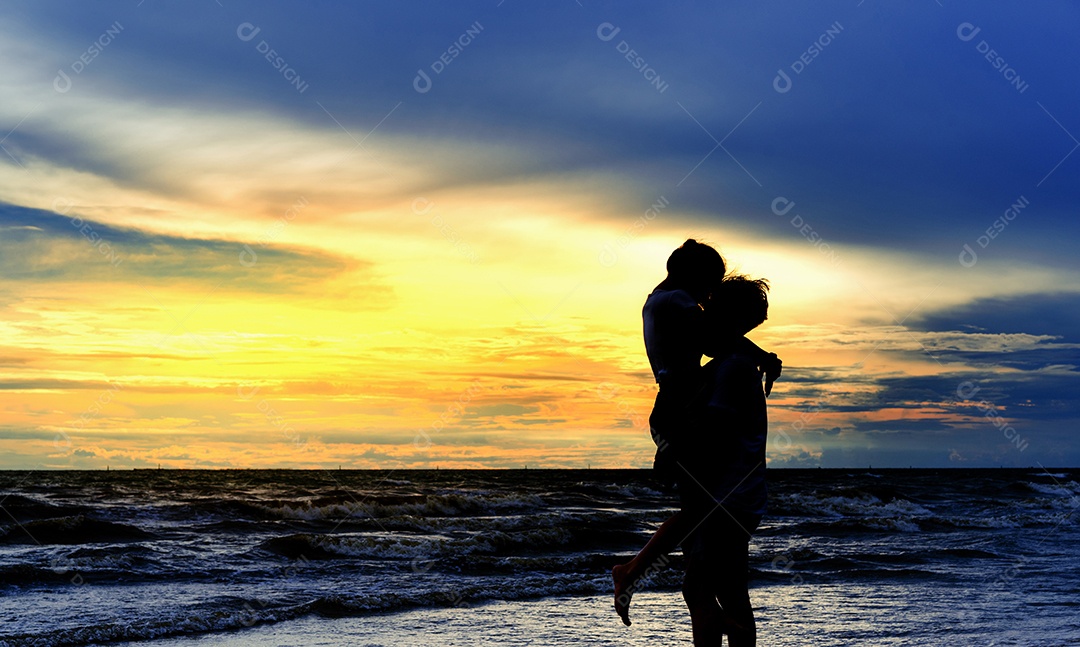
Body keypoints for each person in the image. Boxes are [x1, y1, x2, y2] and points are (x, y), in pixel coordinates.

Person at [612, 240, 779, 627]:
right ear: (691, 276)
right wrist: (762, 356)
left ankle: (689, 606)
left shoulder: (659, 301)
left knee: (698, 540)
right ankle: (631, 571)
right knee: (698, 513)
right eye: (710, 283)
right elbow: (715, 339)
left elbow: (714, 339)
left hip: (680, 404)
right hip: (681, 408)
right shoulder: (676, 302)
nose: (709, 295)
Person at [679, 275, 771, 647]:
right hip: (738, 497)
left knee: (705, 588)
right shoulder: (735, 364)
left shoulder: (732, 367)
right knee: (727, 589)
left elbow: (713, 431)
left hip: (723, 499)